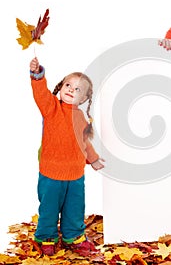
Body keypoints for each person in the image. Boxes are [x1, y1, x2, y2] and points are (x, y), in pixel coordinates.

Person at [29, 57, 105, 256]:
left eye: (78, 89)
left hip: (75, 175)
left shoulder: (80, 117)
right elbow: (41, 95)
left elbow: (85, 143)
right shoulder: (51, 108)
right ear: (60, 87)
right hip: (51, 174)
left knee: (75, 209)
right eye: (68, 85)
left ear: (84, 98)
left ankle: (74, 237)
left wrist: (94, 159)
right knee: (49, 209)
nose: (71, 90)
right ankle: (46, 236)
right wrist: (38, 76)